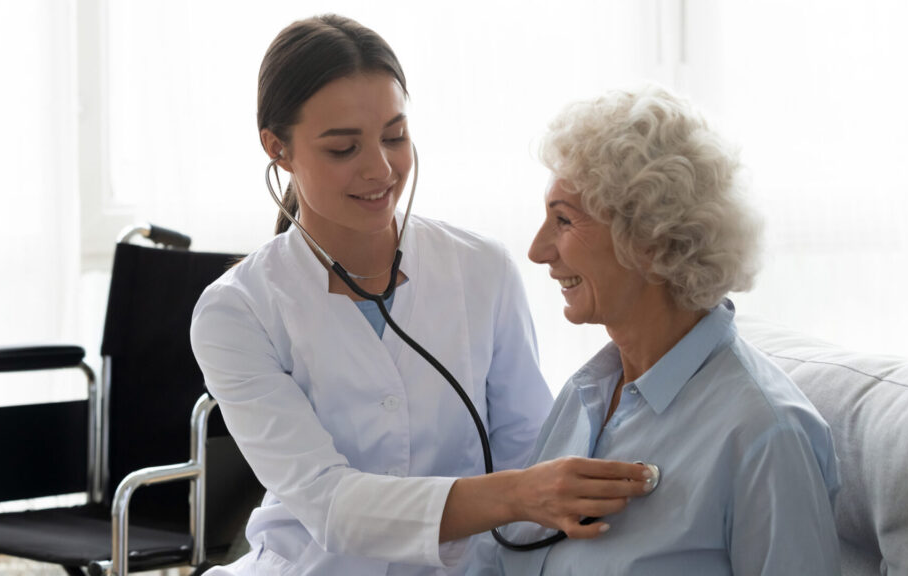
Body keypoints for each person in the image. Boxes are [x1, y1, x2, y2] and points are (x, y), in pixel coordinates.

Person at [190, 14, 651, 576]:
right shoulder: (235, 311)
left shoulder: (482, 269)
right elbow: (331, 506)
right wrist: (520, 495)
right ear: (278, 149)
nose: (381, 169)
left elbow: (528, 452)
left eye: (394, 136)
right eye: (343, 149)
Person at [489, 86, 842, 575]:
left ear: (652, 241)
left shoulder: (765, 433)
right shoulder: (586, 394)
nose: (537, 250)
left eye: (564, 220)